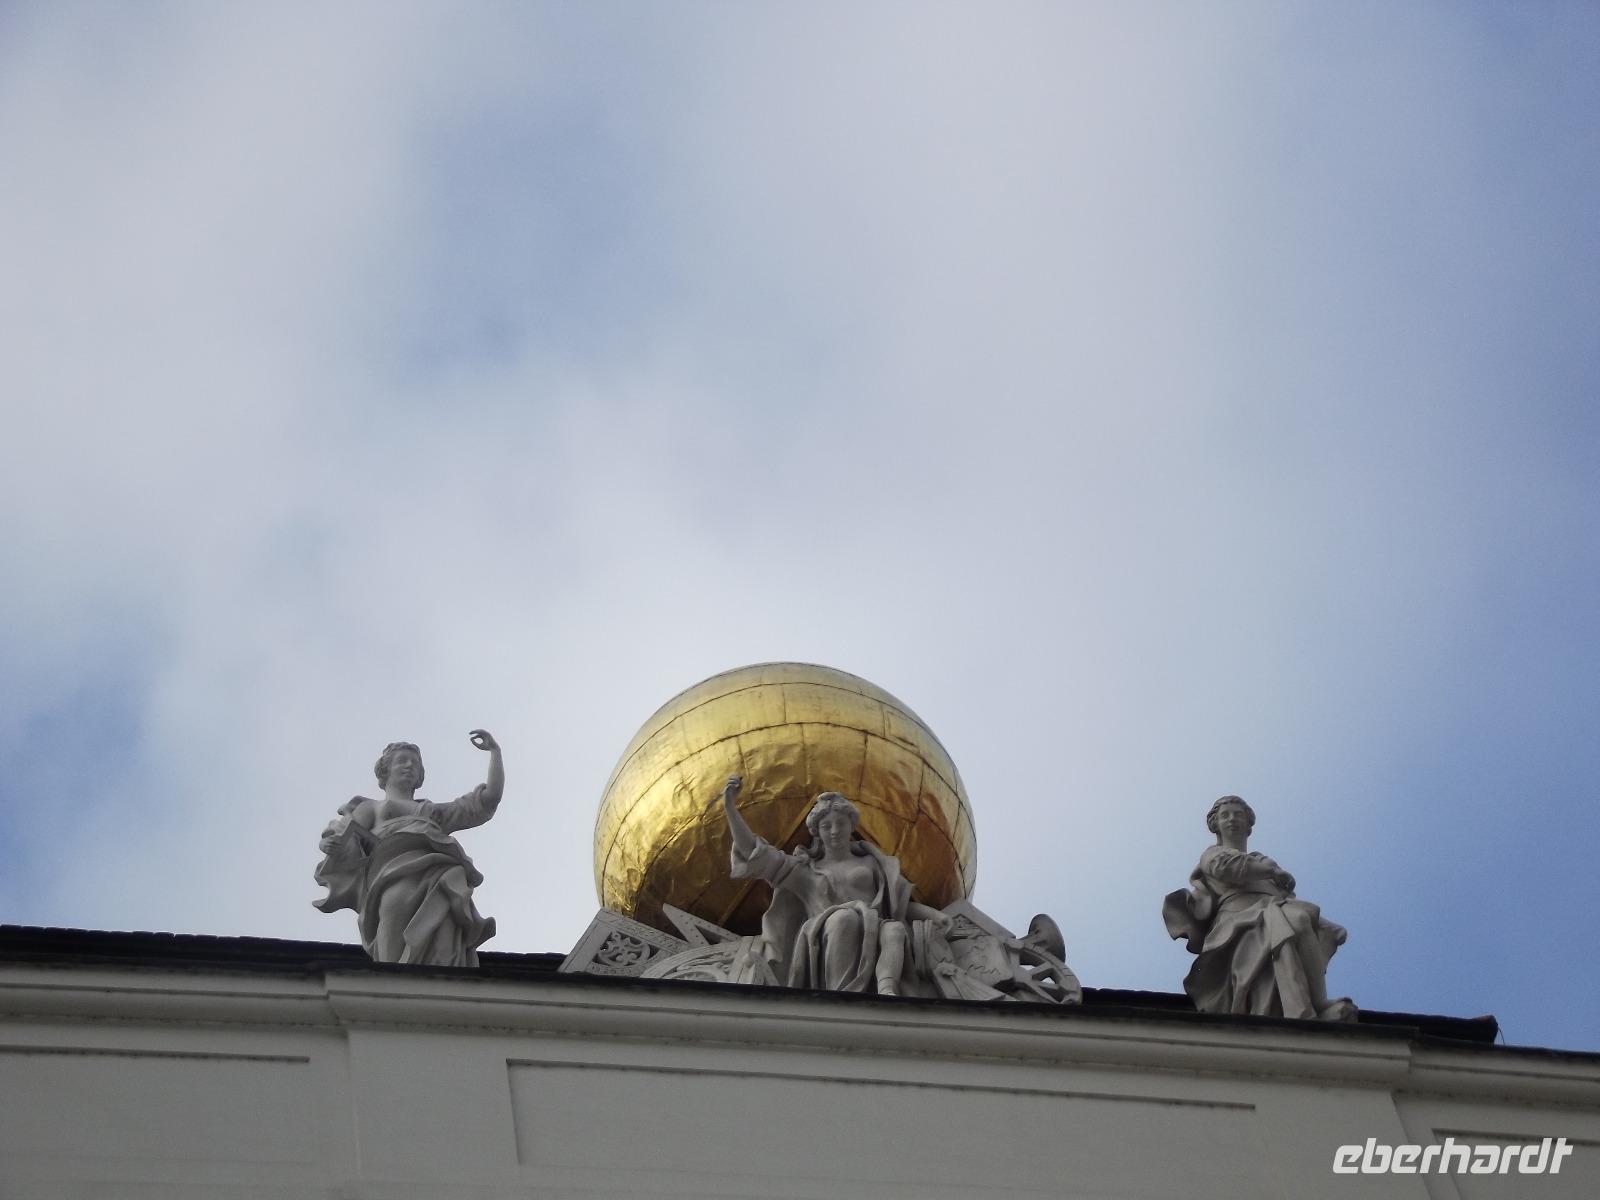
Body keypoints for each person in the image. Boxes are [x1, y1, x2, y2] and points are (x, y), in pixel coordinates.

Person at [720, 775, 951, 994]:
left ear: (851, 826)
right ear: (816, 832)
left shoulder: (874, 864)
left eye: (840, 823)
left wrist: (934, 915)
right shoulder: (805, 871)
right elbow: (753, 852)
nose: (834, 831)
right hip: (828, 934)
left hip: (876, 928)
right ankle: (841, 997)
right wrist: (730, 807)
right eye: (826, 826)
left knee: (894, 929)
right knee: (844, 918)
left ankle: (886, 991)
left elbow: (898, 905)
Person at [314, 730, 504, 967]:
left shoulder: (432, 812)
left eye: (415, 762)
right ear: (386, 769)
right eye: (401, 760)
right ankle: (394, 991)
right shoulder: (370, 807)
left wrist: (495, 753)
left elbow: (487, 800)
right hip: (391, 876)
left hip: (440, 874)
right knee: (395, 911)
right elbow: (342, 838)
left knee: (444, 933)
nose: (409, 765)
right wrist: (329, 845)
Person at [1163, 795, 1355, 1021]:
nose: (1232, 819)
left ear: (1248, 824)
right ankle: (1304, 1009)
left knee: (1302, 920)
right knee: (1293, 921)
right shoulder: (1212, 855)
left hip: (1272, 911)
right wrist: (1272, 871)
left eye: (1238, 814)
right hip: (1237, 922)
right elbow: (1229, 868)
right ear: (1216, 825)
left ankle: (1315, 1002)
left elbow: (1285, 898)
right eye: (1225, 815)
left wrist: (1326, 927)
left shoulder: (1261, 860)